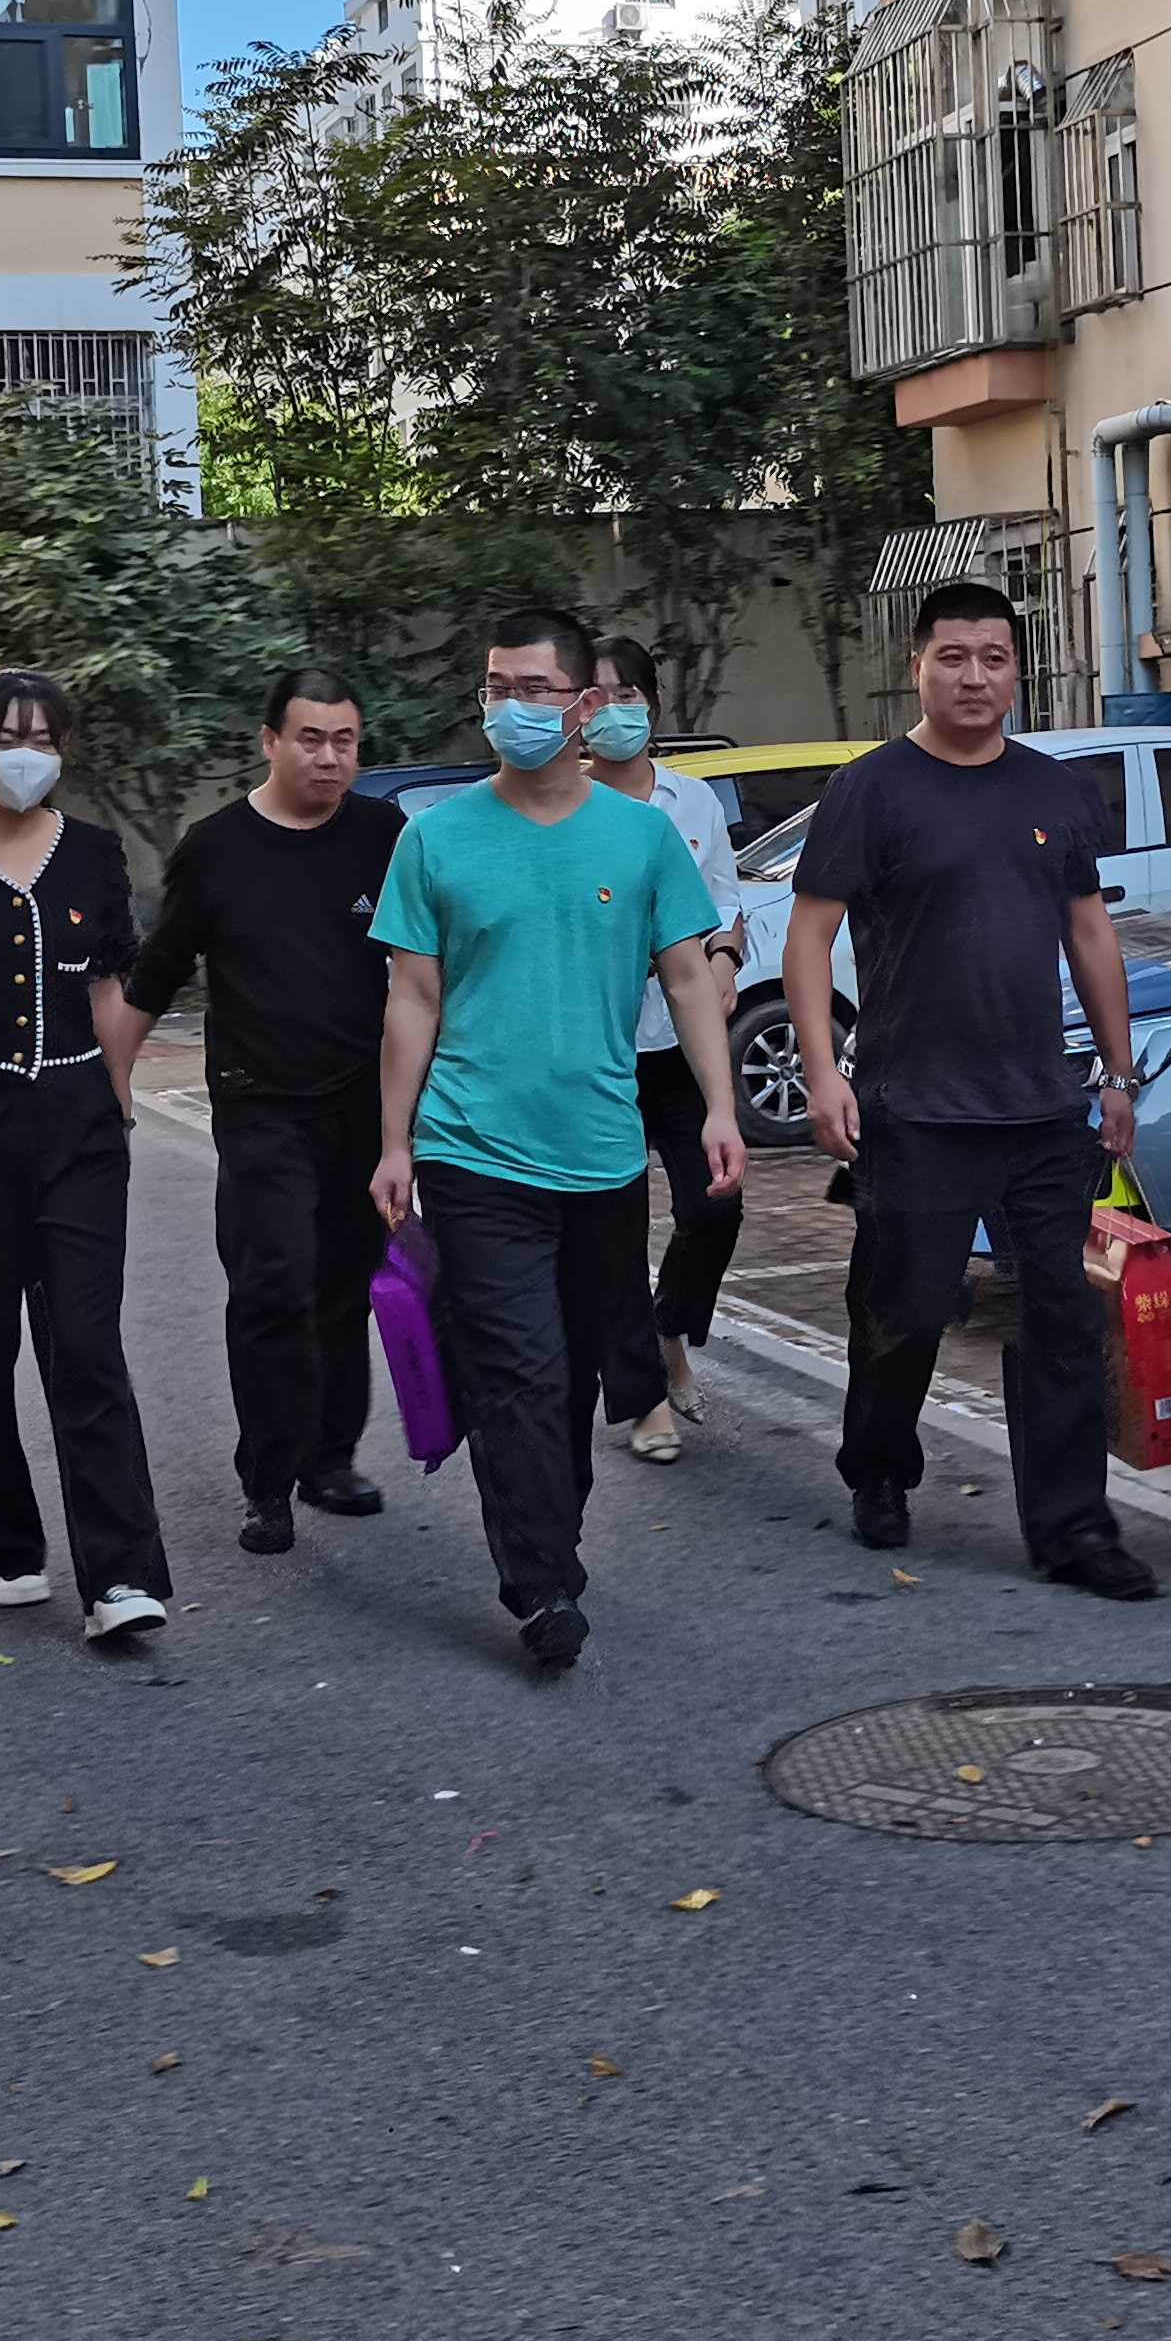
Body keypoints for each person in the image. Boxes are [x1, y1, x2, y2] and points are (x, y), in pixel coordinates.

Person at [369, 608, 742, 1672]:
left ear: (582, 706)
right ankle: (539, 1585)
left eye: (535, 690)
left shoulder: (642, 836)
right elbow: (413, 998)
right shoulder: (435, 837)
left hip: (602, 1151)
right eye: (498, 687)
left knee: (574, 1372)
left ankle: (552, 1539)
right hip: (472, 1148)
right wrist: (394, 1141)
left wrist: (719, 1106)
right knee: (517, 1370)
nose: (512, 708)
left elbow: (687, 977)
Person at [785, 582, 1158, 1600]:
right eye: (953, 657)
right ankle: (878, 1467)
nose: (974, 677)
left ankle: (1074, 1530)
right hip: (915, 1106)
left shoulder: (1052, 790)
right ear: (918, 667)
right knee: (904, 1312)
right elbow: (810, 935)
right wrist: (822, 1073)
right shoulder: (872, 789)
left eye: (994, 658)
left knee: (1062, 1319)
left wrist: (1117, 1073)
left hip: (1041, 1106)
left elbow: (1090, 931)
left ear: (1016, 671)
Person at [0, 670, 171, 1646]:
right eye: (8, 735)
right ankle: (8, 1540)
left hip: (78, 1129)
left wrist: (119, 1095)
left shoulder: (94, 854)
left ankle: (122, 1575)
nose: (25, 754)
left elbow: (109, 987)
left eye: (44, 738)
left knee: (88, 1348)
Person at [124, 667, 401, 1558]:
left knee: (345, 1285)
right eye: (310, 739)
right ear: (271, 742)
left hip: (361, 1099)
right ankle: (269, 1482)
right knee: (273, 1284)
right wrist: (111, 1086)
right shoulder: (216, 847)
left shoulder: (384, 834)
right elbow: (158, 971)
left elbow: (426, 967)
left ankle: (330, 1459)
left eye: (345, 741)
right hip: (260, 1105)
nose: (329, 757)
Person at [584, 633, 743, 1464]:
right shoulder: (563, 807)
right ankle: (644, 1397)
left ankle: (668, 1323)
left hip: (682, 1048)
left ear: (651, 703)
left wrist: (722, 961)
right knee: (613, 1231)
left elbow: (725, 905)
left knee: (714, 1206)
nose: (614, 711)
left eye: (628, 695)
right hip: (598, 1050)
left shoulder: (694, 802)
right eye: (597, 696)